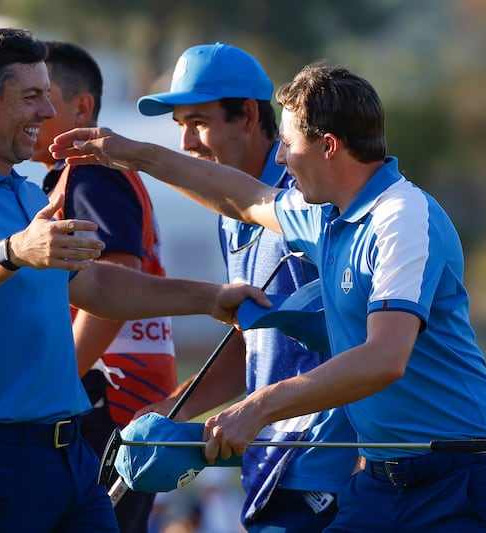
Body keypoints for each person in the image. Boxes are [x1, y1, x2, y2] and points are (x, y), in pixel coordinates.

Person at [50, 60, 486, 531]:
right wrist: (134, 154)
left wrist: (256, 408)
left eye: (288, 144)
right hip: (382, 482)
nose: (279, 158)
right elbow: (243, 197)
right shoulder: (326, 214)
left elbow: (386, 357)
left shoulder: (402, 217)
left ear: (329, 146)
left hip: (465, 475)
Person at [0, 28, 267, 532]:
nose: (46, 113)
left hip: (67, 456)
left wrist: (212, 298)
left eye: (47, 96)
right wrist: (15, 251)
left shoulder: (29, 198)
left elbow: (101, 286)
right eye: (31, 97)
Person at [132, 42, 357, 532]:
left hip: (325, 472)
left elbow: (358, 342)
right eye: (180, 128)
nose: (187, 143)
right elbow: (253, 343)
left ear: (249, 116)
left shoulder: (306, 201)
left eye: (198, 122)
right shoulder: (231, 219)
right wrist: (170, 413)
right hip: (272, 469)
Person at [30, 41, 177, 533]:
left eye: (43, 96)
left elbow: (116, 286)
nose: (35, 110)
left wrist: (50, 385)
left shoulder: (90, 172)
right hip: (113, 396)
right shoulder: (72, 177)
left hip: (108, 398)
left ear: (82, 108)